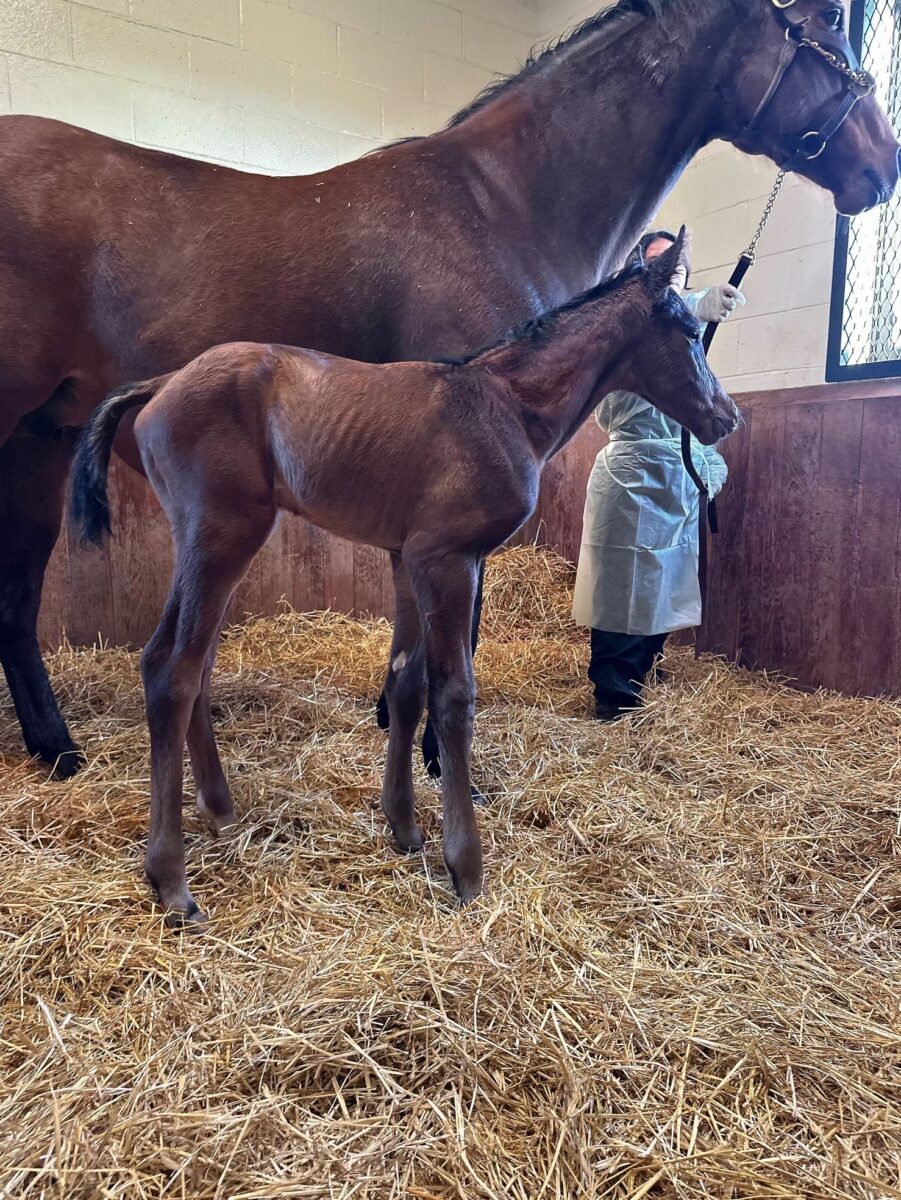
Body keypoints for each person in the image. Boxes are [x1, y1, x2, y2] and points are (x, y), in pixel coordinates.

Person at [572, 230, 744, 720]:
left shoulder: (680, 341)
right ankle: (614, 694)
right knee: (623, 586)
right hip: (633, 473)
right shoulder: (621, 326)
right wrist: (691, 302)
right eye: (659, 270)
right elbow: (648, 314)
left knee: (661, 584)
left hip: (673, 470)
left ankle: (643, 672)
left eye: (679, 271)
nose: (671, 280)